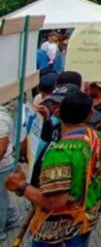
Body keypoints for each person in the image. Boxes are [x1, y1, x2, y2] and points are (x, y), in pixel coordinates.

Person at [5, 84, 101, 247]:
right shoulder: (98, 139)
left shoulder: (60, 153)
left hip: (59, 233)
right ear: (90, 115)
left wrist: (21, 186)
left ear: (58, 112)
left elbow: (54, 202)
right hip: (85, 220)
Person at [0, 100, 21, 242]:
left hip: (2, 165)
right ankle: (12, 217)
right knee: (2, 197)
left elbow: (2, 146)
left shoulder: (0, 119)